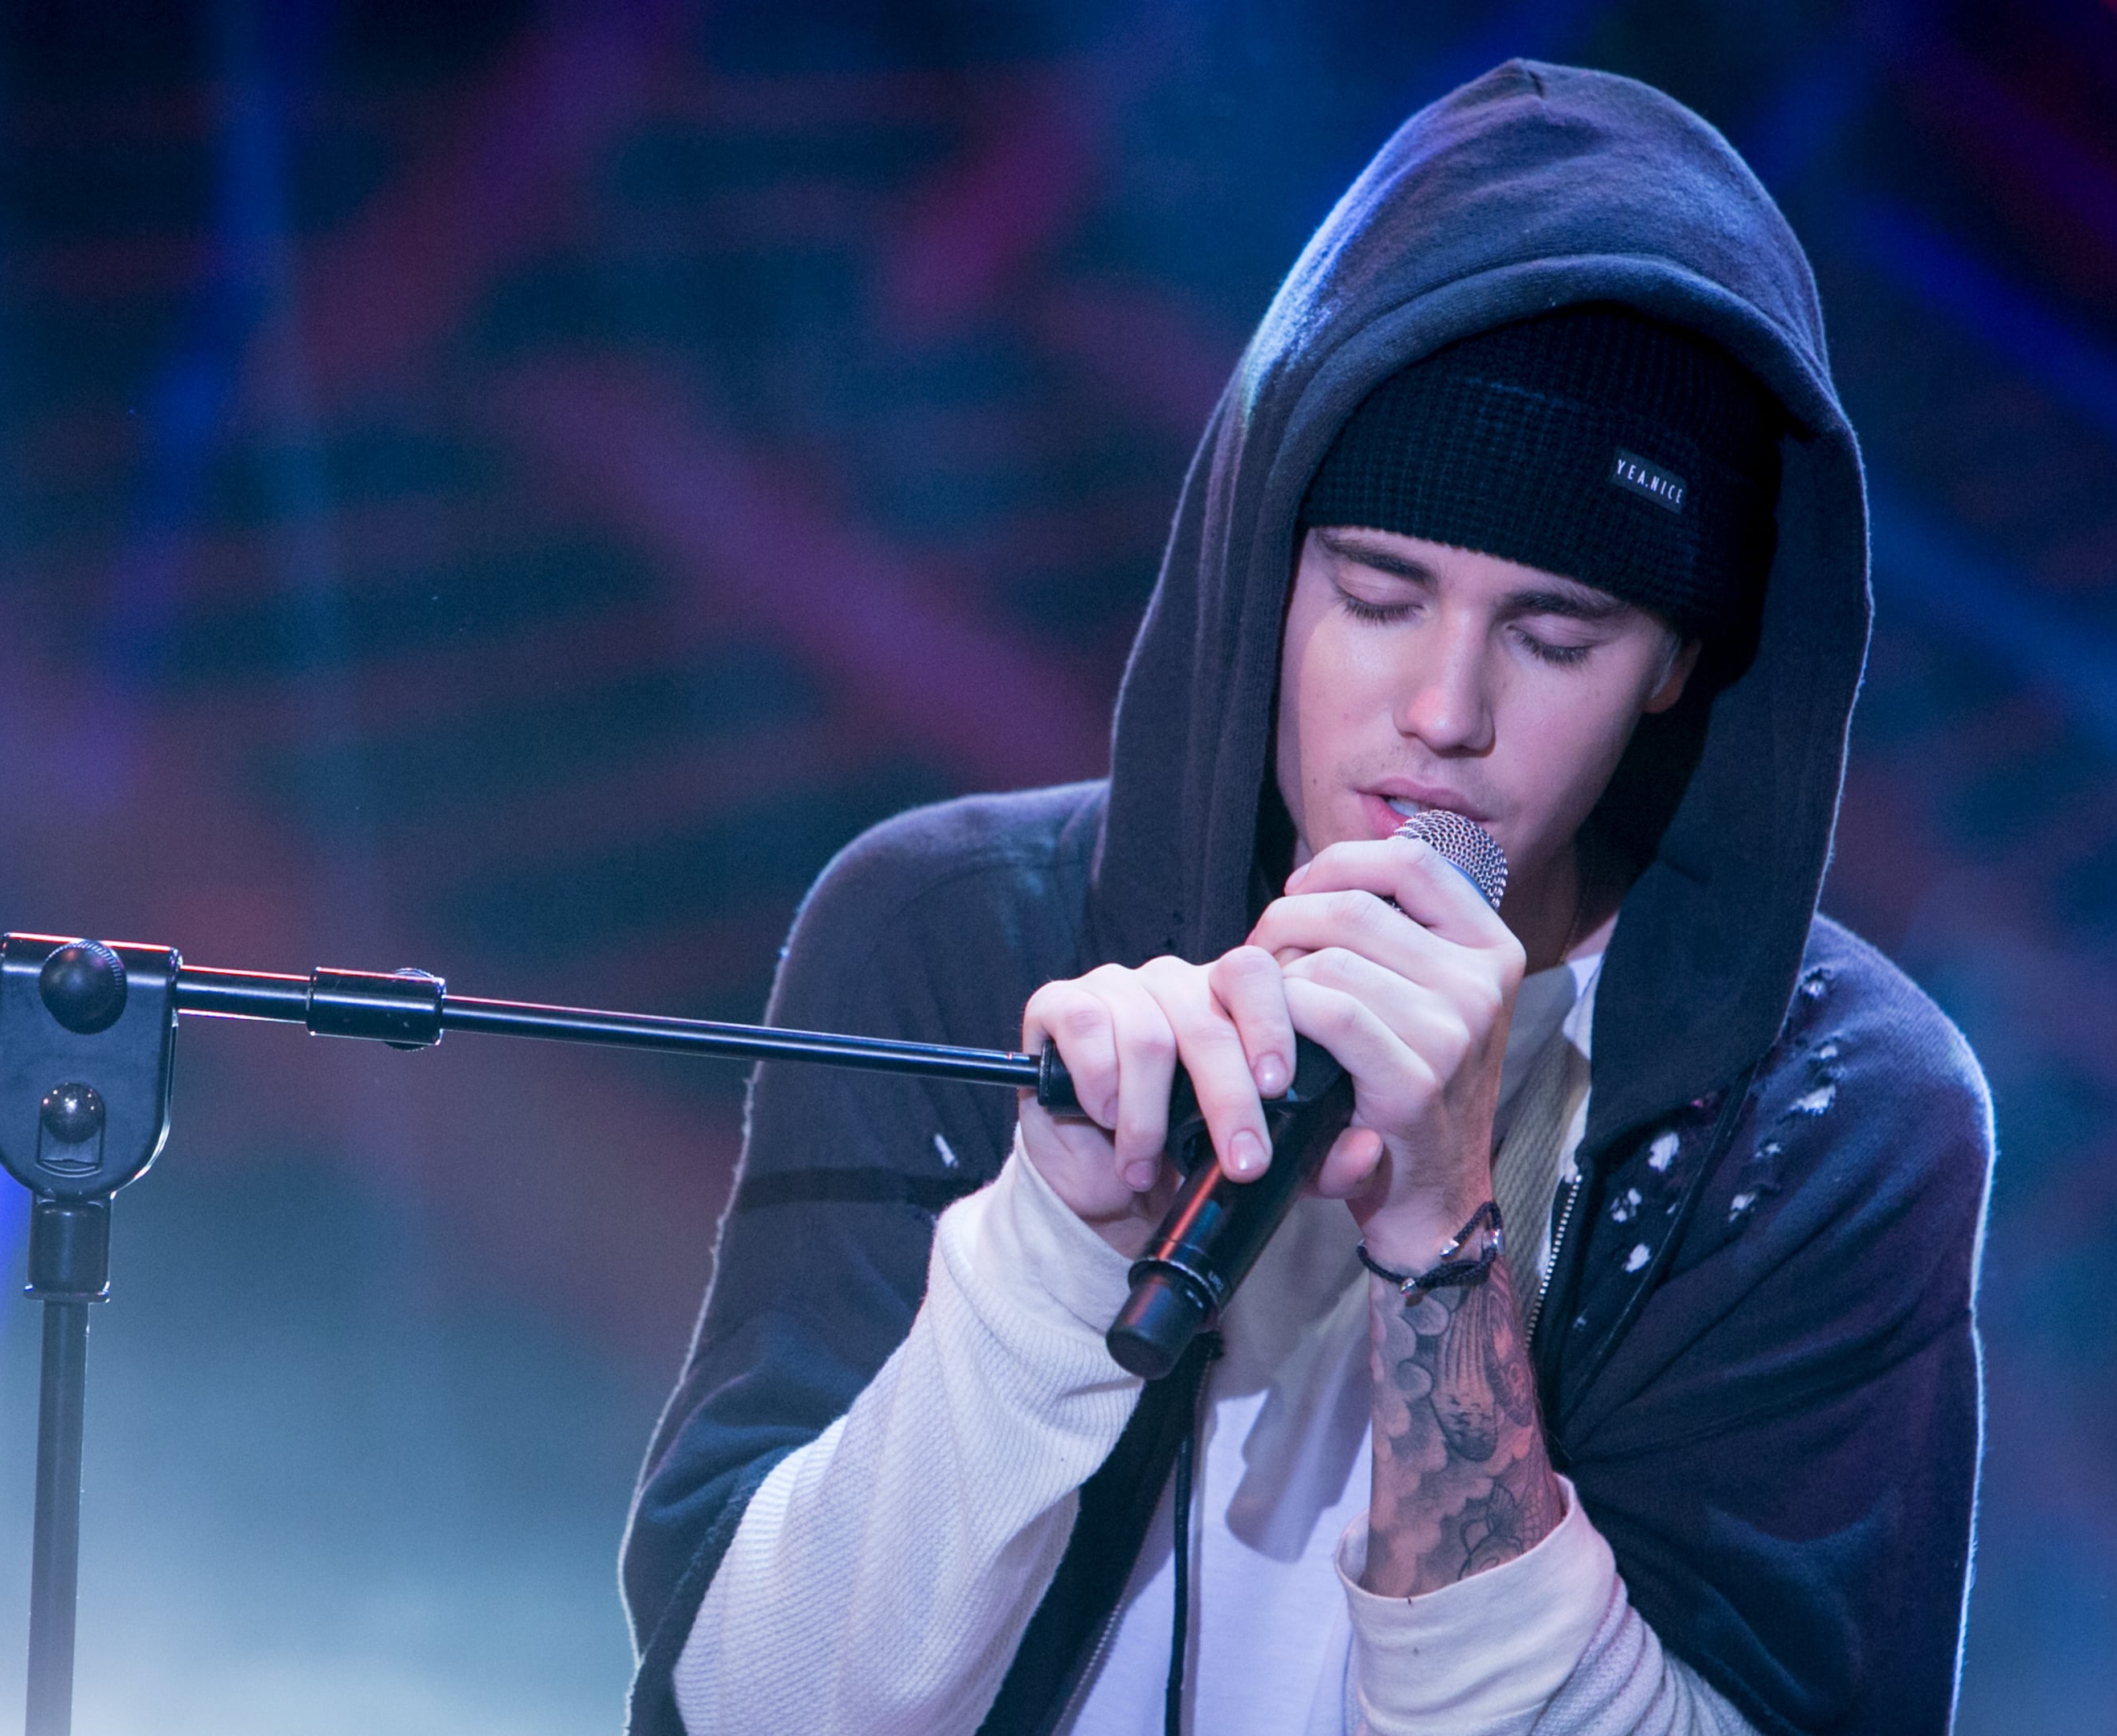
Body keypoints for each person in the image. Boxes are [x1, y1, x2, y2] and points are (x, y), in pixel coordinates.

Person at [623, 60, 1991, 1736]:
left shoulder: (1827, 1113)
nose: (1445, 707)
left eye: (1558, 634)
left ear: (1678, 666)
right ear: (1263, 561)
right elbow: (745, 1712)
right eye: (1378, 588)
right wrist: (1051, 1251)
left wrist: (1447, 1253)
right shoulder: (951, 934)